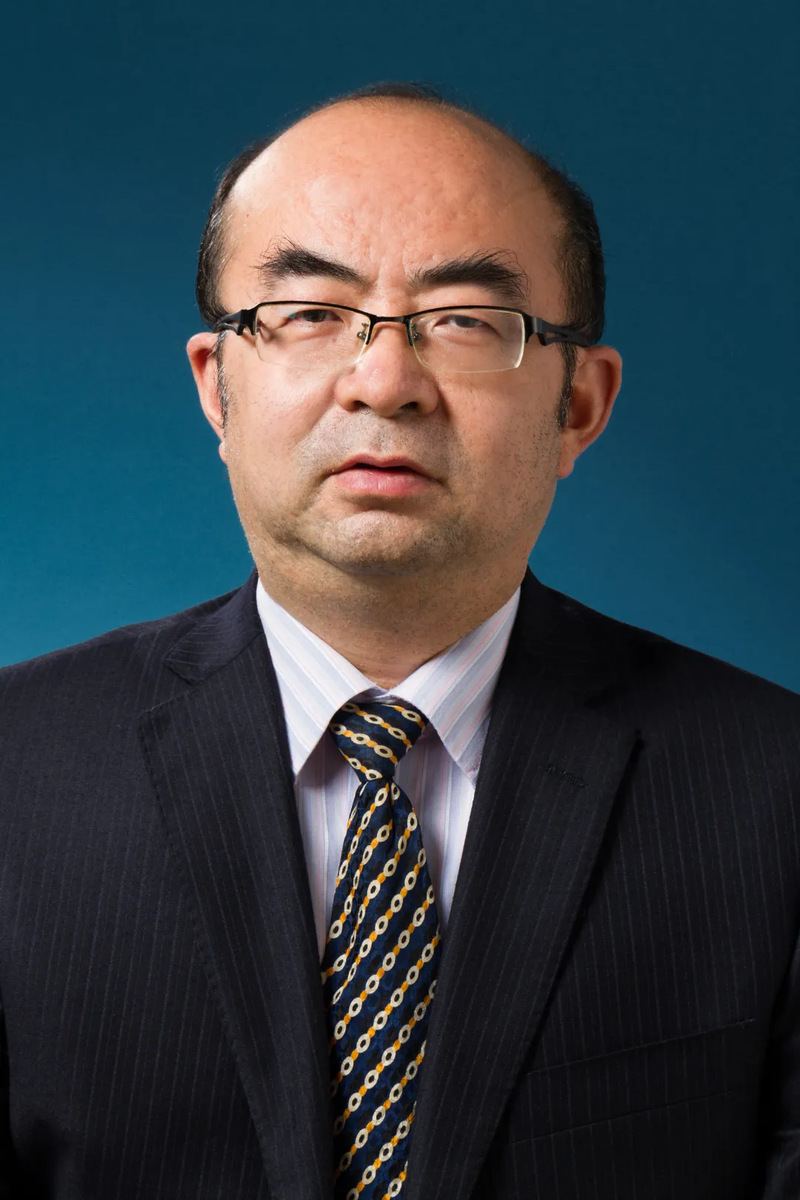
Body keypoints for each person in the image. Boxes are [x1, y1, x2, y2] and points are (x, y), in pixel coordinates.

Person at [1, 82, 799, 1200]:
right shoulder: (16, 768)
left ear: (579, 404)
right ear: (217, 387)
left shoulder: (774, 790)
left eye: (465, 321)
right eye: (309, 313)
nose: (384, 382)